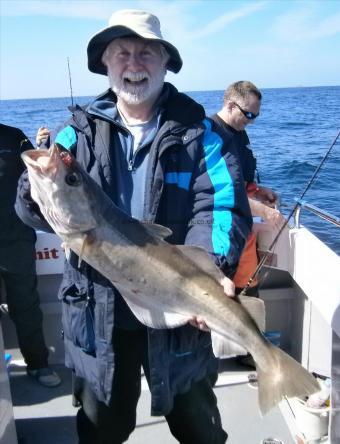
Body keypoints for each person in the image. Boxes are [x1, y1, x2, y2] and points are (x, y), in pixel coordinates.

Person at [15, 10, 252, 444]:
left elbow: (221, 208)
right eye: (121, 53)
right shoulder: (73, 137)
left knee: (199, 428)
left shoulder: (203, 136)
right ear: (106, 65)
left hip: (181, 312)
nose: (134, 63)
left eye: (146, 52)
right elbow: (30, 210)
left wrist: (211, 269)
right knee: (101, 431)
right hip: (98, 315)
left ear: (166, 63)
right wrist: (37, 186)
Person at [0, 123, 61, 387]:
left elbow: (39, 174)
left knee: (25, 306)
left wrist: (44, 149)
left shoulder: (13, 137)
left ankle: (38, 363)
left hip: (15, 241)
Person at [211, 81, 285, 296]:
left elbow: (238, 180)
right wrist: (263, 211)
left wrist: (258, 188)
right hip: (222, 231)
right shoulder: (210, 135)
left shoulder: (239, 131)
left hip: (245, 225)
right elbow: (220, 191)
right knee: (229, 292)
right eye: (248, 115)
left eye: (256, 116)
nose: (251, 121)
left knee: (248, 289)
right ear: (230, 105)